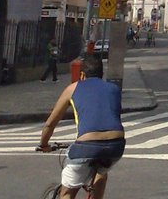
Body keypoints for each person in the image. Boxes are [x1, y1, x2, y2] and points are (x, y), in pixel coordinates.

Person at [38, 55, 124, 199]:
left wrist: (44, 144)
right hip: (116, 146)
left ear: (82, 75)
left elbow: (50, 124)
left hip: (87, 146)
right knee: (102, 171)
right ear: (101, 74)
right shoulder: (114, 89)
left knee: (67, 193)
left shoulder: (72, 89)